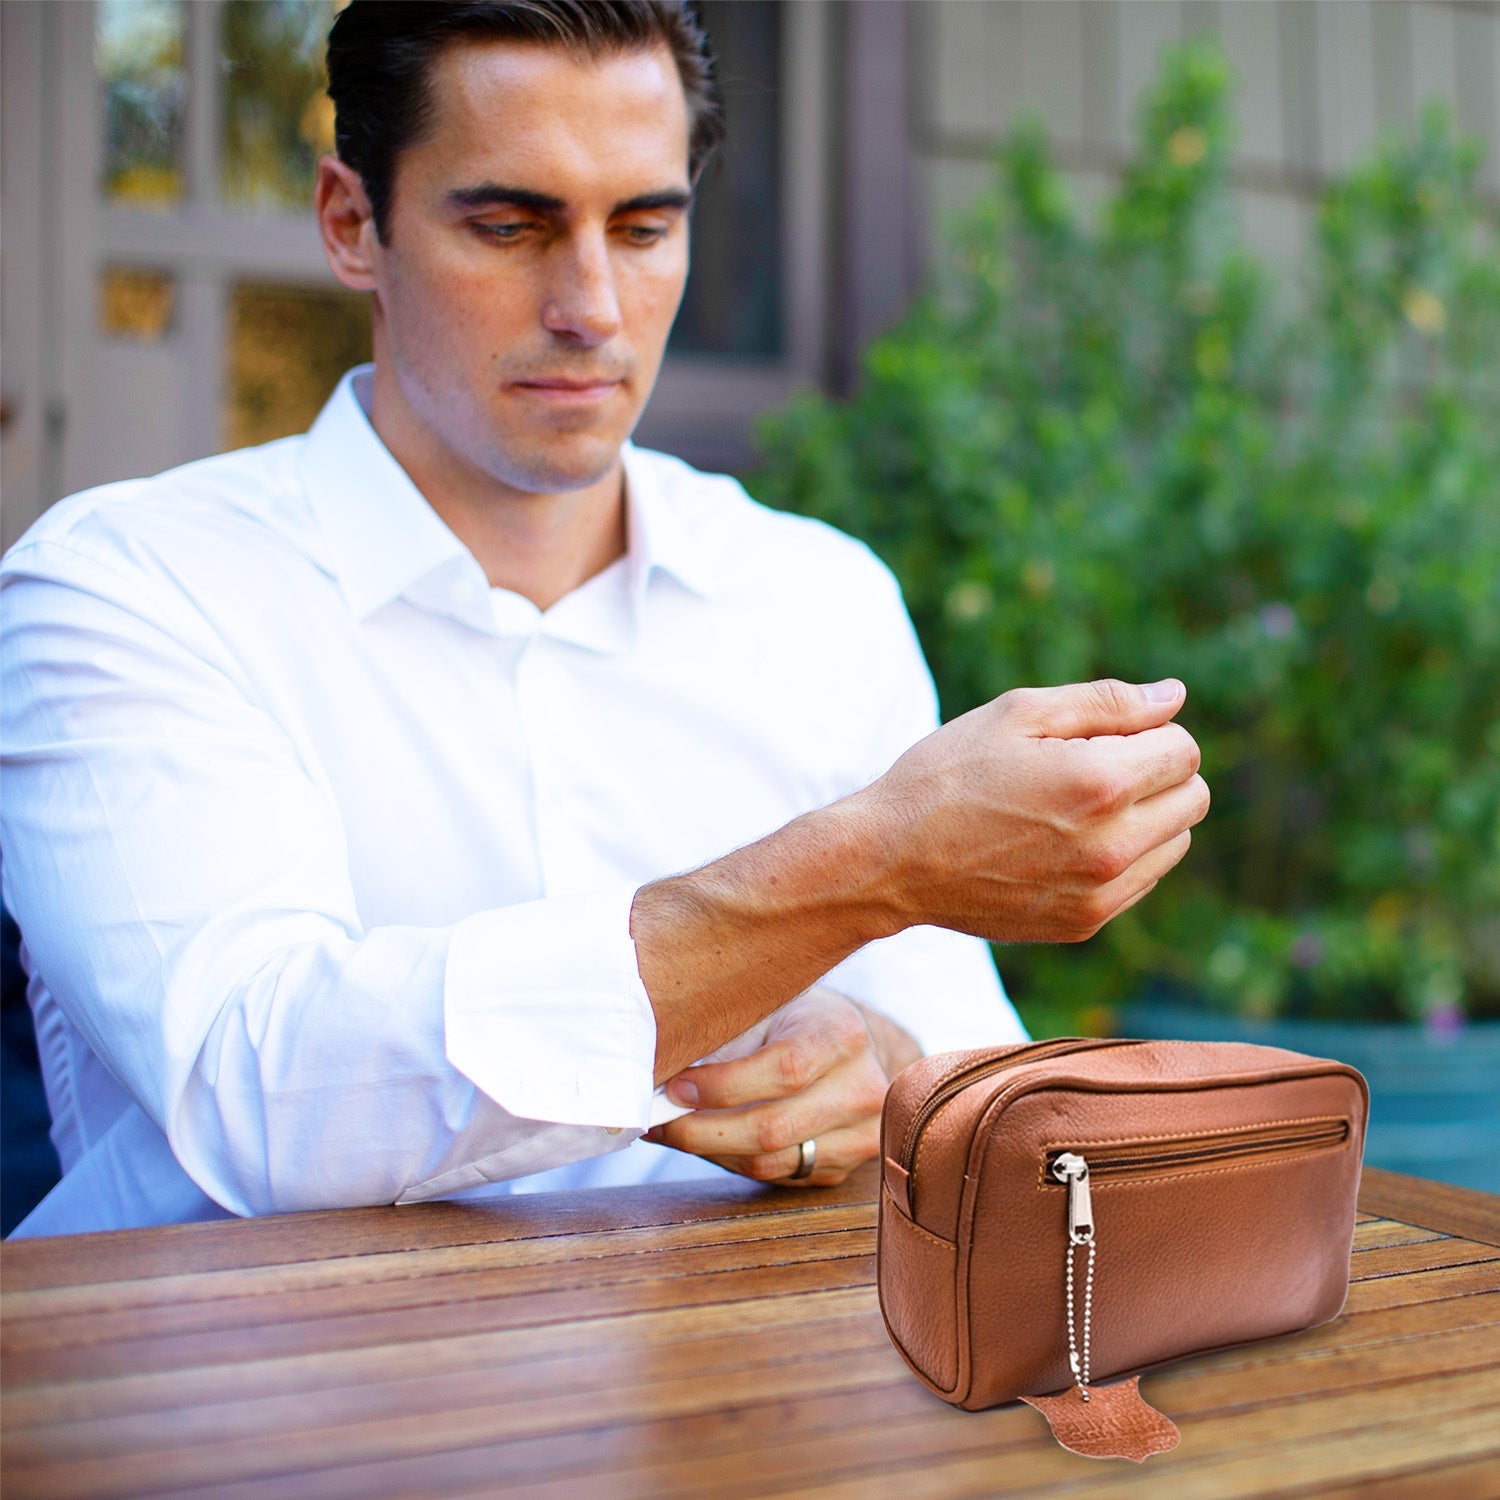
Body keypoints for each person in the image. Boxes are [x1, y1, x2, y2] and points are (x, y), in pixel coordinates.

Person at [0, 1, 1208, 1237]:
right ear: (352, 223)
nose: (591, 306)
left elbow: (958, 1058)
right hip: (233, 1411)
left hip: (739, 1401)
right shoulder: (131, 587)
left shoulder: (817, 597)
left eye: (642, 227)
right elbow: (259, 1092)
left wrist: (872, 1072)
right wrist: (866, 868)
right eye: (511, 226)